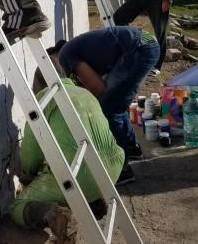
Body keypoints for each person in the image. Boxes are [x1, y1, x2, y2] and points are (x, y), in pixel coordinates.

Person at [8, 54, 125, 237]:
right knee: (77, 170)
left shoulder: (43, 99)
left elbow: (31, 155)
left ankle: (53, 215)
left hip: (82, 174)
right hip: (113, 168)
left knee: (17, 207)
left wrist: (26, 176)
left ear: (37, 83)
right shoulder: (85, 92)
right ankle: (92, 200)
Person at [59, 26, 160, 185]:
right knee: (117, 103)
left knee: (110, 109)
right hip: (144, 44)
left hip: (138, 49)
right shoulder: (78, 48)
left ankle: (121, 168)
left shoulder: (65, 56)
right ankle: (132, 148)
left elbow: (98, 88)